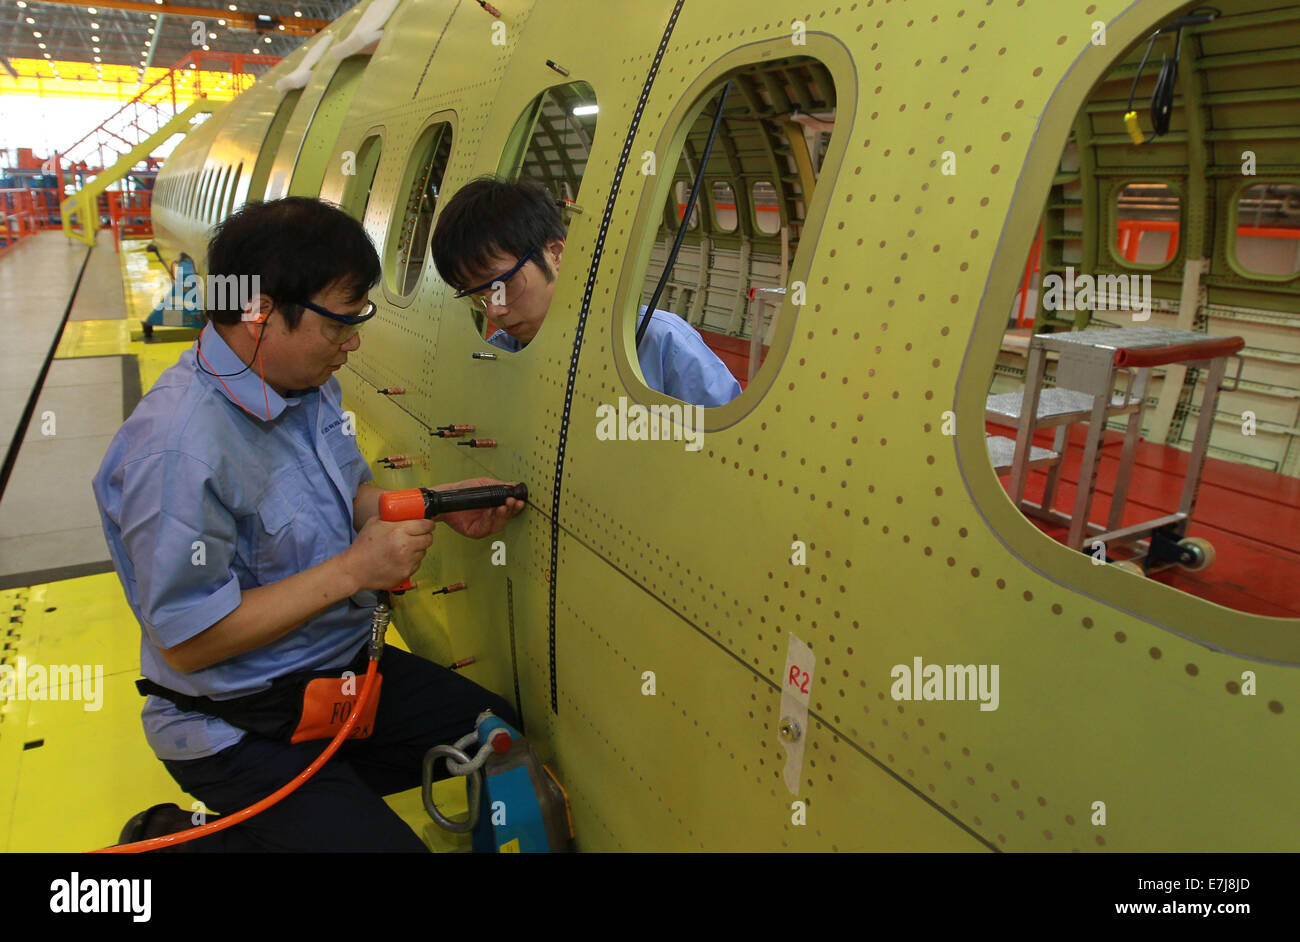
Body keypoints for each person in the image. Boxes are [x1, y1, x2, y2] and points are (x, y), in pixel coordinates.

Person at [92, 197, 524, 852]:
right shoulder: (177, 450)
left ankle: (305, 816)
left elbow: (345, 494)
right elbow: (189, 643)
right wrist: (354, 571)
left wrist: (429, 504)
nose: (352, 343)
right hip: (239, 724)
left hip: (333, 677)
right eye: (339, 324)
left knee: (493, 736)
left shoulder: (303, 382)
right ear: (260, 312)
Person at [430, 176, 743, 408]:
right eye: (477, 297)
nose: (494, 311)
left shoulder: (660, 345)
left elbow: (731, 451)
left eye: (502, 285)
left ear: (555, 254)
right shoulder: (498, 356)